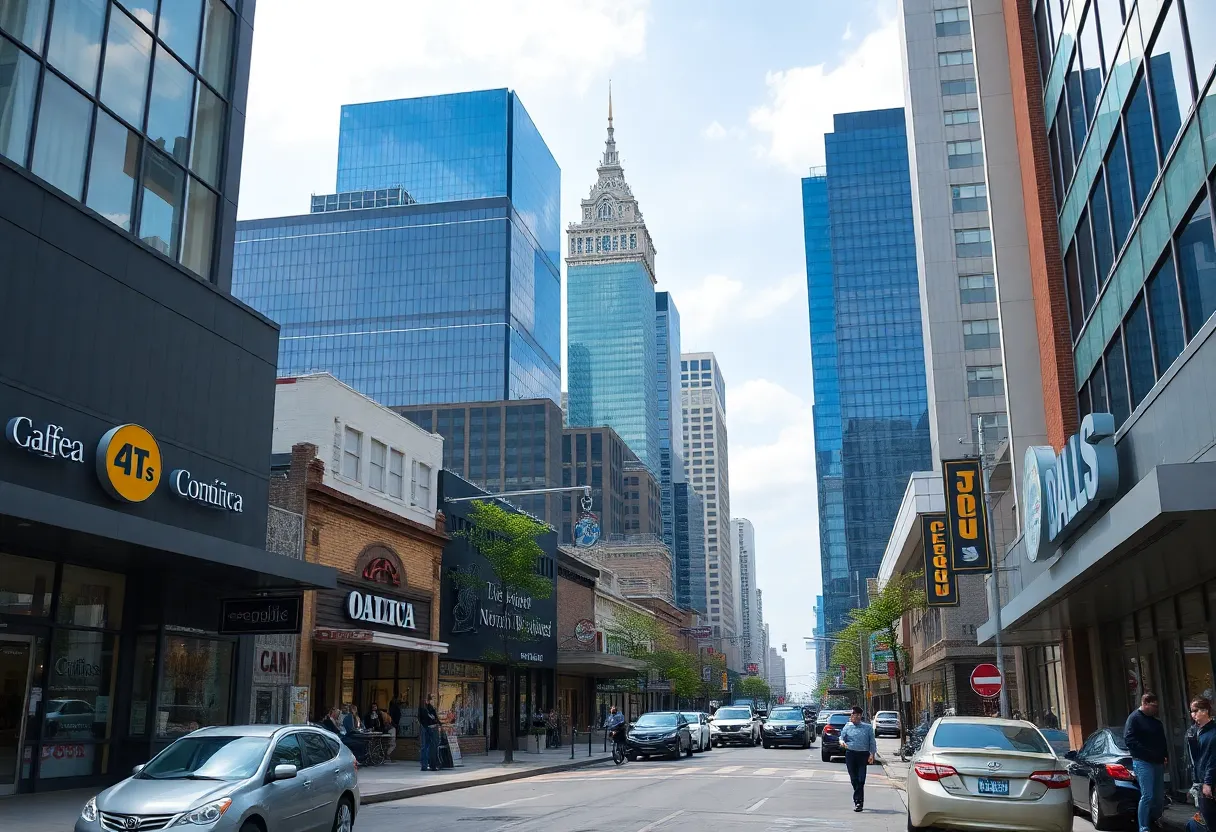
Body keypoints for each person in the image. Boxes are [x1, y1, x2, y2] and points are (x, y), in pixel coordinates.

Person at [1125, 692, 1169, 832]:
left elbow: (1162, 740)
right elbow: (1130, 740)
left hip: (1157, 762)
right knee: (1147, 795)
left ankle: (1154, 819)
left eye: (1157, 706)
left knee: (1158, 797)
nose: (1156, 709)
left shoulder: (1156, 722)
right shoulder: (1134, 719)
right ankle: (1143, 827)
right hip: (1143, 762)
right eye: (1153, 706)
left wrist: (1164, 755)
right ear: (1145, 704)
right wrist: (1148, 753)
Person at [839, 706, 877, 813]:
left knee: (861, 779)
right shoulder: (847, 726)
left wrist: (872, 754)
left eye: (858, 715)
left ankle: (859, 802)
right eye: (854, 715)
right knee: (854, 779)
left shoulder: (867, 728)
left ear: (860, 716)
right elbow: (842, 737)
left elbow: (872, 742)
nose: (855, 717)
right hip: (850, 754)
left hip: (862, 755)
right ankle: (858, 798)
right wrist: (842, 742)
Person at [1190, 697, 1216, 830]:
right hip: (1201, 779)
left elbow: (1212, 760)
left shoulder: (1212, 733)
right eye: (1191, 711)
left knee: (1210, 819)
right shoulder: (1196, 731)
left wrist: (1208, 782)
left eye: (1195, 711)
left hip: (1209, 781)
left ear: (1205, 711)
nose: (1192, 714)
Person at [418, 693, 440, 772]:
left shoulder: (431, 708)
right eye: (432, 699)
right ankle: (427, 765)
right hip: (428, 729)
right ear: (427, 701)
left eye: (434, 699)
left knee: (430, 747)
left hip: (431, 728)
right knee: (427, 747)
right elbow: (421, 719)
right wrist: (427, 726)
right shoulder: (424, 709)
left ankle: (430, 765)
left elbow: (436, 719)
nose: (434, 701)